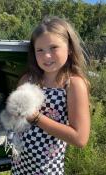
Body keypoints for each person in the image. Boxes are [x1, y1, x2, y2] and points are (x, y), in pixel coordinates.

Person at [11, 16, 90, 175]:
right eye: (40, 50)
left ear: (69, 49)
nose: (47, 56)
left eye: (54, 47)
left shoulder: (72, 84)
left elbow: (80, 139)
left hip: (47, 169)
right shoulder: (28, 79)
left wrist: (36, 118)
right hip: (20, 164)